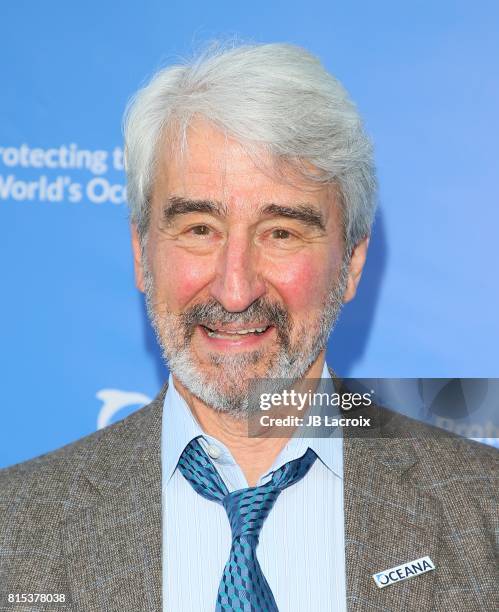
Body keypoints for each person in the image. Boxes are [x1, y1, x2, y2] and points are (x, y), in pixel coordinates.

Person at [0, 43, 497, 612]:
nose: (235, 289)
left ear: (353, 263)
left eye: (281, 232)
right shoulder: (14, 531)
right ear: (142, 252)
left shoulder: (485, 517)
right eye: (199, 228)